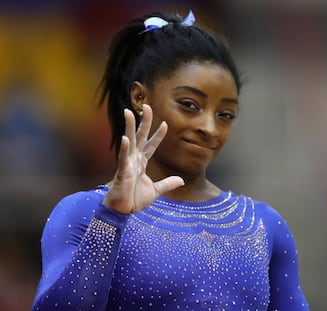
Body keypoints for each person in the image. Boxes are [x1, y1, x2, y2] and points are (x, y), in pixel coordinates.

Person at [32, 10, 309, 311]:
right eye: (189, 105)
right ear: (140, 97)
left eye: (225, 114)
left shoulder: (263, 226)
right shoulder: (84, 212)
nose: (210, 128)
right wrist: (112, 216)